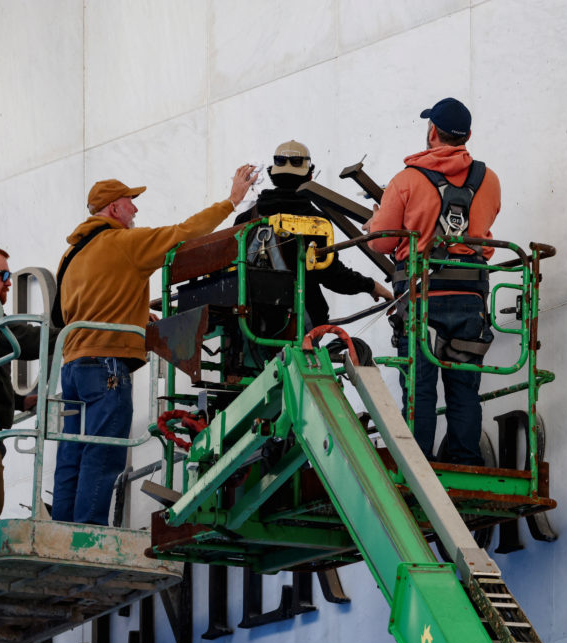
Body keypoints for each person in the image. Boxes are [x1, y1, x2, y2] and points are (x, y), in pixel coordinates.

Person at [52, 166, 257, 525]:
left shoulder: (70, 257)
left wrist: (134, 313)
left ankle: (64, 530)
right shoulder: (124, 243)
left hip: (73, 368)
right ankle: (88, 535)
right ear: (114, 209)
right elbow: (184, 234)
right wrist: (231, 201)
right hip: (107, 367)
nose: (135, 210)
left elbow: (78, 308)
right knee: (104, 455)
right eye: (131, 202)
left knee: (73, 454)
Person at [367, 98, 501, 466]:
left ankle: (418, 464)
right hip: (470, 296)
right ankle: (464, 459)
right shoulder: (489, 180)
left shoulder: (406, 180)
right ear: (467, 136)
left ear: (431, 132)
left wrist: (378, 219)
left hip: (420, 296)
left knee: (420, 387)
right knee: (463, 390)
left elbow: (381, 242)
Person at [233, 139, 391, 328]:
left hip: (247, 323)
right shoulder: (315, 222)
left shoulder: (245, 220)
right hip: (296, 325)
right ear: (310, 176)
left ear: (272, 175)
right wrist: (370, 285)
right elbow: (332, 275)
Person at [0, 243, 48, 525]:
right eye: (2, 275)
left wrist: (20, 401)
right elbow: (27, 340)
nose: (9, 283)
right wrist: (79, 334)